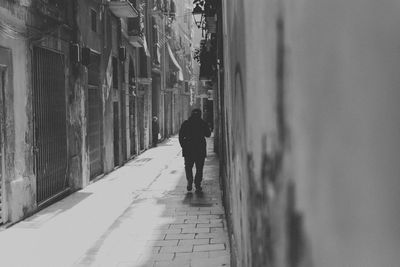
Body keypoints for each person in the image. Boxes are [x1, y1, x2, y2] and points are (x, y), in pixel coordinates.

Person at [179, 109, 211, 192]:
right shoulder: (203, 123)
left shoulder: (186, 123)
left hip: (188, 149)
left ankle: (189, 180)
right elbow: (208, 134)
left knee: (188, 167)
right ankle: (197, 184)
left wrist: (184, 146)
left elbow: (181, 136)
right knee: (199, 168)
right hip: (200, 149)